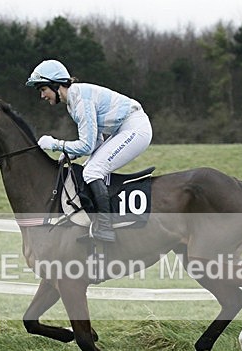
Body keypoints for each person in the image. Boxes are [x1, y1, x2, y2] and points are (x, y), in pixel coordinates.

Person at [26, 59, 153, 242]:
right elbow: (95, 142)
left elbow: (86, 145)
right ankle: (94, 223)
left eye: (43, 89)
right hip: (124, 129)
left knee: (93, 171)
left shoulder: (80, 100)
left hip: (135, 128)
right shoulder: (73, 101)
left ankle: (106, 228)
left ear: (56, 85)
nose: (42, 96)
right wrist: (70, 153)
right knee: (88, 170)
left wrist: (55, 144)